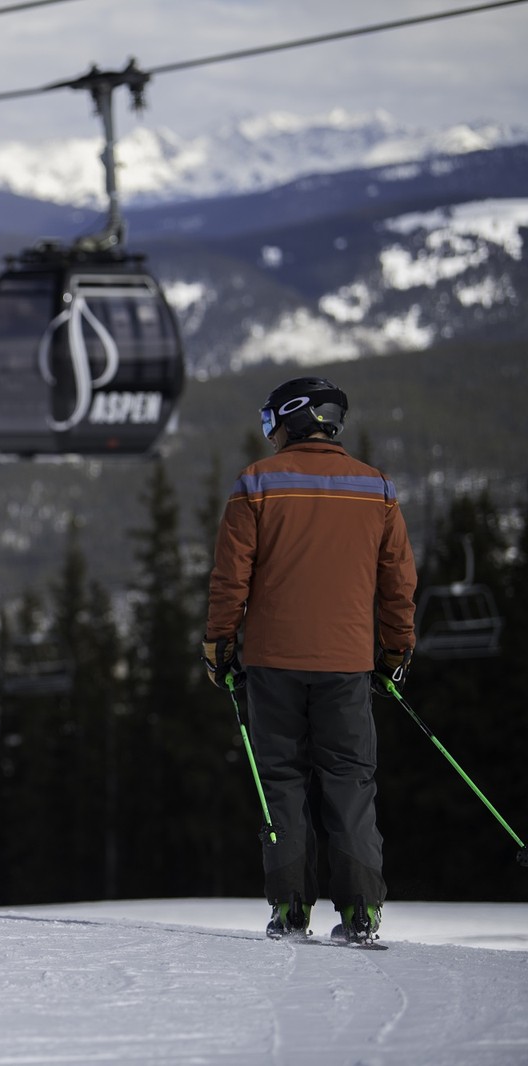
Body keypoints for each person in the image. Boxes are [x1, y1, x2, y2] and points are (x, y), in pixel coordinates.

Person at [203, 375, 416, 945]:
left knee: (282, 781)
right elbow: (398, 583)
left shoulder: (257, 483)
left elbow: (231, 579)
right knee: (349, 781)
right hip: (346, 663)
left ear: (291, 419)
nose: (267, 431)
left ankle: (290, 910)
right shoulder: (378, 489)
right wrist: (396, 650)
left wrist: (219, 646)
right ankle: (360, 914)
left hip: (272, 662)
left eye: (269, 418)